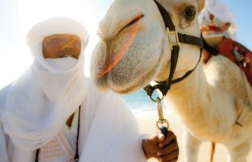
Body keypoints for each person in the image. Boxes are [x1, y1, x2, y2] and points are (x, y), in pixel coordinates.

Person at [0, 16, 179, 162]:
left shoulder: (100, 95)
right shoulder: (6, 102)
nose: (67, 46)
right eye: (55, 40)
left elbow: (121, 140)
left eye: (73, 40)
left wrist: (147, 146)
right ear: (38, 49)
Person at [199, 0, 252, 101]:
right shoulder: (200, 14)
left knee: (251, 55)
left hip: (224, 40)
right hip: (205, 44)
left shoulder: (223, 12)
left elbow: (230, 26)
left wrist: (224, 27)